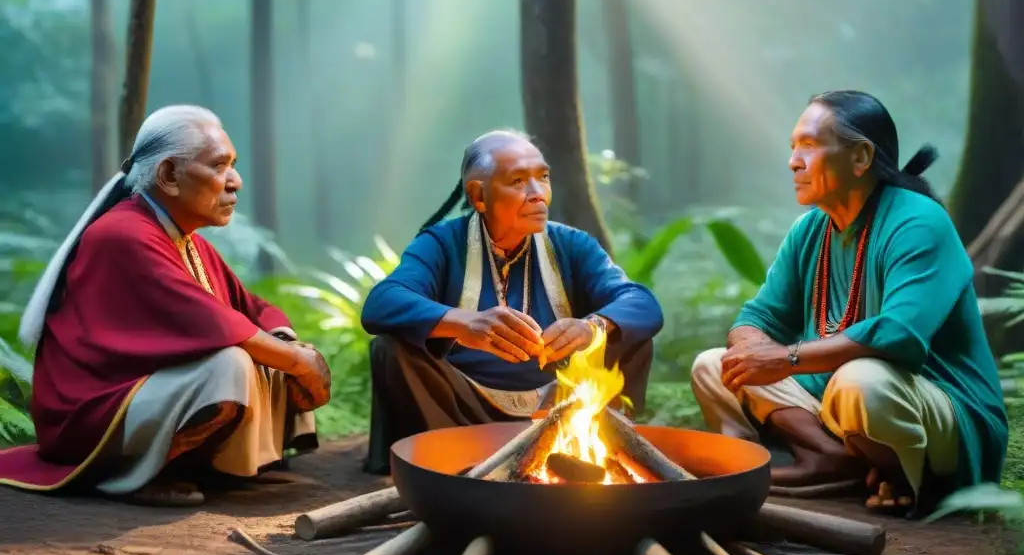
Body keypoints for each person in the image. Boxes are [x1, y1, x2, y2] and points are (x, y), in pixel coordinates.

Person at [690, 90, 1008, 517]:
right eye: (792, 148)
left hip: (939, 409)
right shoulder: (811, 230)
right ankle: (819, 462)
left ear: (860, 156)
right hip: (839, 407)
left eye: (809, 145)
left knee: (860, 381)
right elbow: (758, 315)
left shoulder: (918, 221)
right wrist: (750, 349)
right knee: (715, 365)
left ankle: (907, 477)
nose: (793, 161)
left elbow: (899, 334)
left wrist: (785, 358)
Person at [0, 105, 332, 506]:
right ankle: (134, 475)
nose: (236, 182)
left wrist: (288, 345)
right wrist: (295, 361)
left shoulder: (188, 240)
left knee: (273, 347)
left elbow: (251, 309)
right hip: (92, 411)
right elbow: (211, 322)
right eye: (220, 166)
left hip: (133, 396)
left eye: (234, 165)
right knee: (232, 365)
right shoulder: (122, 234)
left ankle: (209, 466)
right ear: (169, 175)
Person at [360, 129, 664, 474]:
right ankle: (447, 464)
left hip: (561, 406)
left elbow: (640, 301)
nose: (538, 195)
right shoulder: (442, 244)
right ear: (478, 195)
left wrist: (592, 328)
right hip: (464, 413)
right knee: (390, 348)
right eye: (518, 181)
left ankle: (597, 447)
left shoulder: (572, 244)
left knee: (628, 331)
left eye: (543, 178)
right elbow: (382, 302)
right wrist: (465, 324)